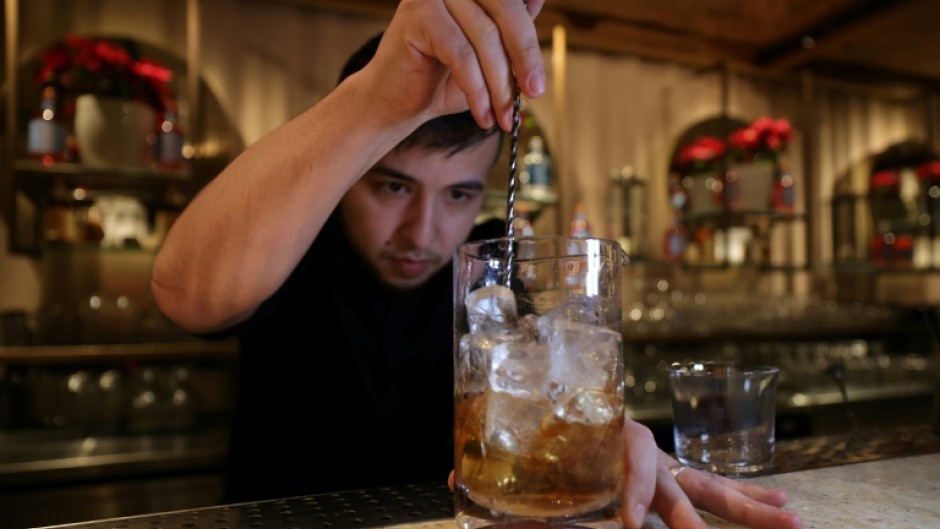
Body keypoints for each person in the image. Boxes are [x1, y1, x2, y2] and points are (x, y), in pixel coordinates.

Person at [151, 2, 802, 529]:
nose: (422, 231)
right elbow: (186, 293)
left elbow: (541, 377)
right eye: (392, 186)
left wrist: (601, 434)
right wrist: (375, 101)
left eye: (459, 194)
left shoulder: (492, 264)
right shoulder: (291, 237)